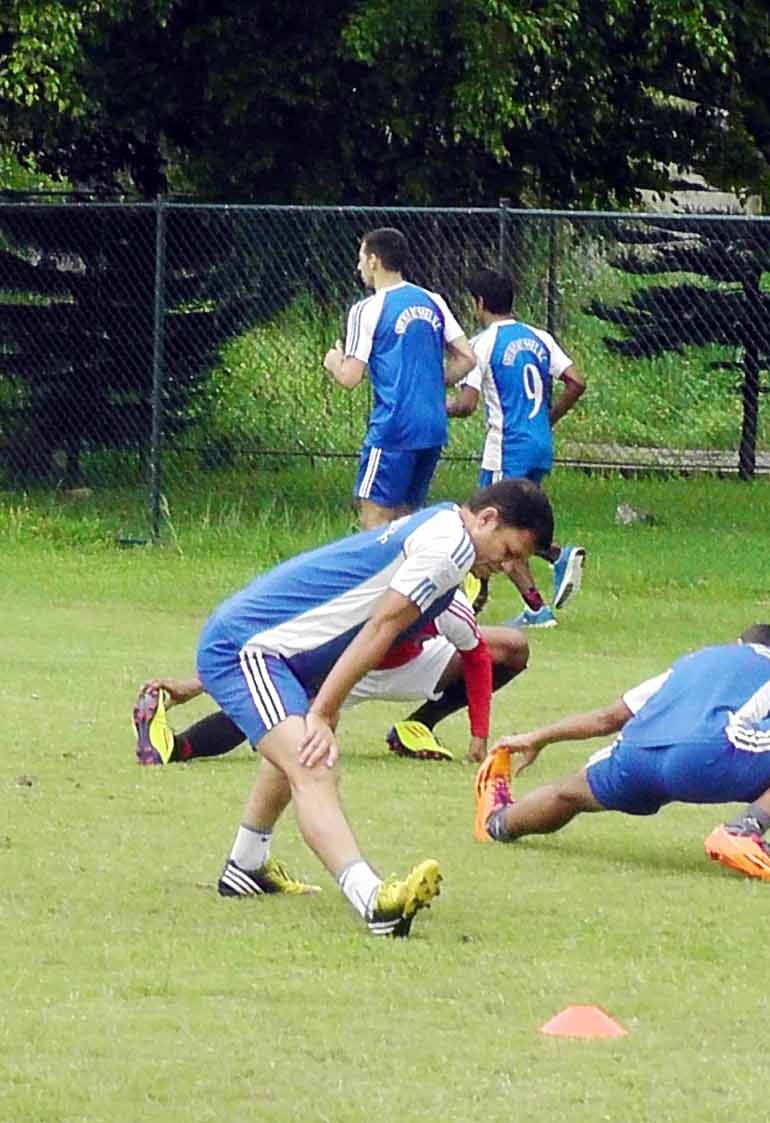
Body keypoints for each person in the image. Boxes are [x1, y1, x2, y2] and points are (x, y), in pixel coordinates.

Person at [175, 478, 552, 937]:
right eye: (509, 551)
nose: (507, 565)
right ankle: (373, 901)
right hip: (248, 647)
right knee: (313, 764)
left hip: (286, 654)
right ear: (488, 519)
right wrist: (321, 712)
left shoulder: (447, 530)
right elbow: (383, 625)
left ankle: (246, 864)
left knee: (296, 754)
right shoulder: (449, 547)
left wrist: (325, 705)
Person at [472, 624, 770, 885]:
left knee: (570, 794)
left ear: (738, 644)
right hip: (706, 755)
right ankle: (743, 831)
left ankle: (498, 822)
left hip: (636, 756)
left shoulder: (696, 660)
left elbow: (607, 718)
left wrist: (539, 737)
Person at [132, 595, 531, 767]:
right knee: (272, 711)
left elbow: (476, 656)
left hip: (411, 664)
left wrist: (479, 736)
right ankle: (174, 747)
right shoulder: (363, 589)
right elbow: (276, 646)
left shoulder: (446, 599)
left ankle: (418, 727)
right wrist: (197, 683)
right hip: (342, 670)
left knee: (512, 647)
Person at [446, 268, 588, 627]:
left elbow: (466, 404)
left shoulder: (482, 344)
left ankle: (536, 601)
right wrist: (545, 420)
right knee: (517, 523)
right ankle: (550, 565)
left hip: (506, 448)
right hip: (539, 445)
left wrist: (432, 407)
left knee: (491, 525)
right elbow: (576, 381)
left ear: (478, 303)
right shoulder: (539, 338)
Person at [323, 227, 476, 530]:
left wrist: (333, 362)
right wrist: (431, 383)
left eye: (361, 258)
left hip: (394, 426)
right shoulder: (432, 300)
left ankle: (381, 564)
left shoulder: (368, 309)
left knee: (375, 520)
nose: (358, 266)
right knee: (407, 519)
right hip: (432, 426)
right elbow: (467, 357)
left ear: (374, 260)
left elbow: (350, 377)